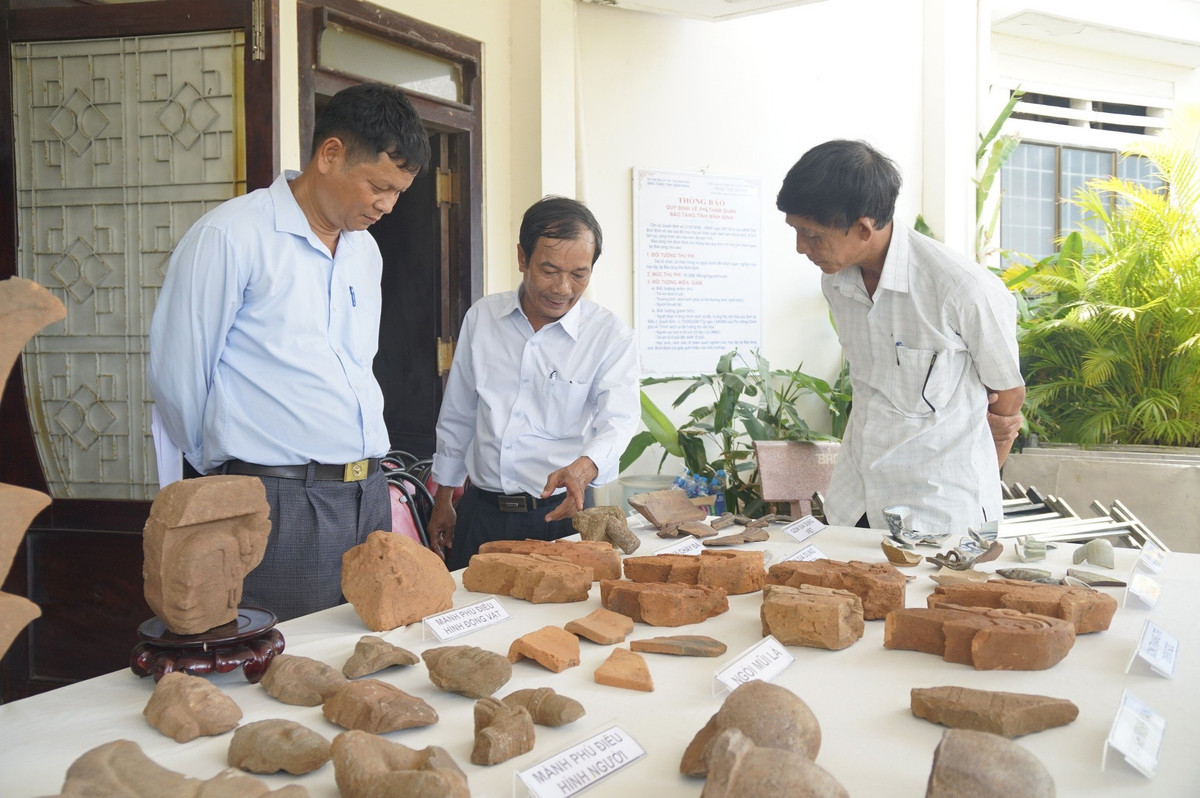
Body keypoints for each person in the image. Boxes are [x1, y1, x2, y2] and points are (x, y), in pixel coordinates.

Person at [148, 83, 430, 621]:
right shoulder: (231, 237)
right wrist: (233, 471)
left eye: (398, 192)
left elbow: (354, 365)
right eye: (378, 186)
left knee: (362, 660)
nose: (387, 206)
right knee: (280, 667)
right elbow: (177, 374)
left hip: (367, 493)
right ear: (330, 155)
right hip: (278, 501)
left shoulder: (364, 252)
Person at [776, 140, 1025, 535]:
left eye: (812, 235)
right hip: (855, 499)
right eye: (796, 231)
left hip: (937, 508)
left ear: (863, 227)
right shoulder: (837, 283)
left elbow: (1008, 396)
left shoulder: (961, 289)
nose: (800, 248)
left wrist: (982, 472)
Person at [428, 196, 640, 570]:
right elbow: (459, 413)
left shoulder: (610, 337)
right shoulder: (483, 318)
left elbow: (619, 422)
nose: (562, 288)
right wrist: (444, 496)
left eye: (579, 274)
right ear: (522, 258)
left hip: (560, 517)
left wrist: (584, 467)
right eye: (549, 270)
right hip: (482, 516)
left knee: (557, 626)